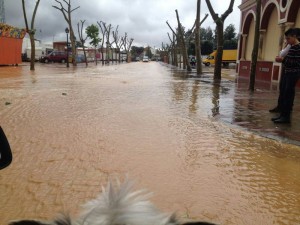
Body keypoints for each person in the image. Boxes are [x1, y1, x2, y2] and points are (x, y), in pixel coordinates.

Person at [272, 28, 300, 123]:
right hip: (288, 72)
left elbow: (296, 62)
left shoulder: (297, 47)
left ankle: (286, 117)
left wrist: (283, 60)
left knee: (288, 95)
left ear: (294, 36)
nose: (287, 41)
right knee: (284, 93)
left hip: (293, 73)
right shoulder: (292, 47)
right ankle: (282, 115)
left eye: (288, 39)